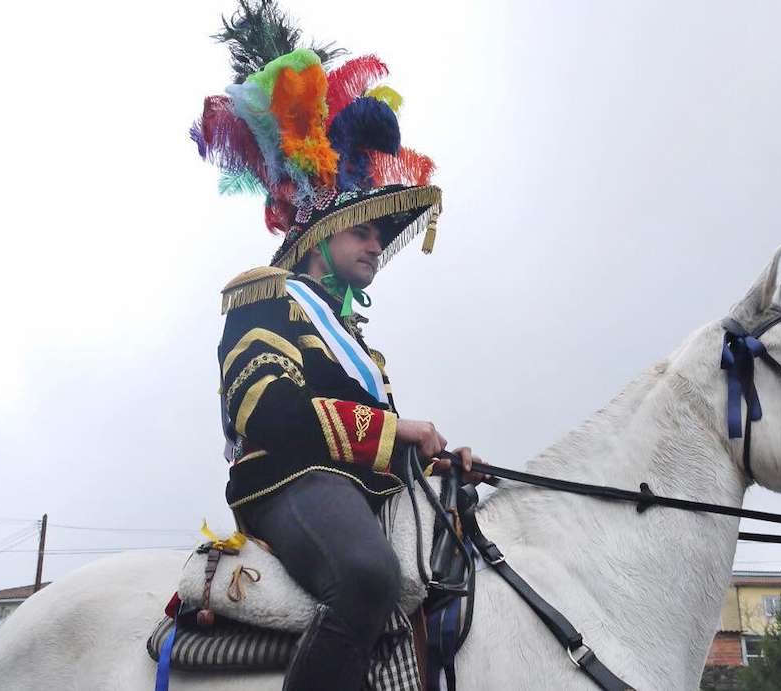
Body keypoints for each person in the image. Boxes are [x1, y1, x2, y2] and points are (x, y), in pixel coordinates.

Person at [193, 2, 483, 688]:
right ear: (320, 235)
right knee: (366, 575)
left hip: (361, 487)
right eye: (363, 231)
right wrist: (396, 429)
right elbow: (272, 417)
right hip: (286, 483)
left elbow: (384, 436)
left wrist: (439, 455)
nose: (377, 244)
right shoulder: (262, 296)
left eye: (379, 235)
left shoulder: (357, 344)